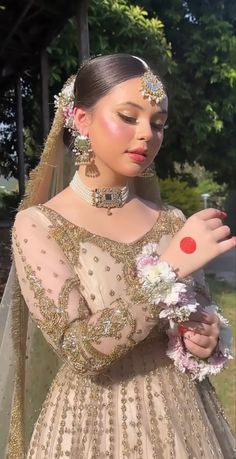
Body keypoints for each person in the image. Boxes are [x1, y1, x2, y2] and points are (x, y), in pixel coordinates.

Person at [0, 54, 235, 459]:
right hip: (89, 427)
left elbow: (195, 316)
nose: (147, 134)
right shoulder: (38, 225)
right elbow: (80, 351)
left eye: (157, 123)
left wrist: (206, 337)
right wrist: (171, 266)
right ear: (81, 119)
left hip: (183, 419)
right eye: (129, 116)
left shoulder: (171, 220)